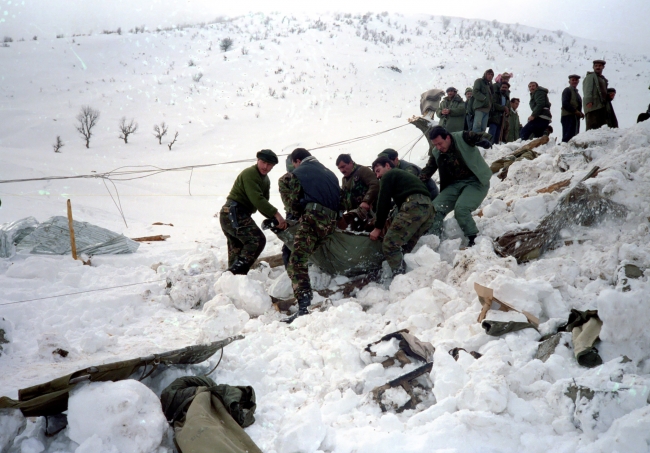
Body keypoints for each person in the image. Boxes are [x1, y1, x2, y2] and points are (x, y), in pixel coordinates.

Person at [279, 148, 340, 320]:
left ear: (297, 161)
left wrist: (294, 212)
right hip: (331, 222)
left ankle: (304, 307)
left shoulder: (297, 173)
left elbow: (292, 201)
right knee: (304, 255)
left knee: (297, 260)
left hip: (314, 218)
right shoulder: (330, 173)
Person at [420, 126, 492, 248]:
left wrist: (484, 140)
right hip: (454, 185)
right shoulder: (436, 152)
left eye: (440, 143)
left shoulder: (462, 137)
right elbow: (428, 170)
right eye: (435, 145)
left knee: (461, 209)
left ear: (447, 137)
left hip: (476, 181)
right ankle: (434, 239)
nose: (438, 147)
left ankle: (473, 239)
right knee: (434, 208)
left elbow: (480, 135)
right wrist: (415, 182)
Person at [220, 150, 286, 274]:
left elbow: (263, 203)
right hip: (233, 213)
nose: (265, 167)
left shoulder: (265, 180)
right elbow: (257, 199)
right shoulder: (250, 174)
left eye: (269, 165)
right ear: (258, 161)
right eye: (263, 162)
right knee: (257, 240)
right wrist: (277, 215)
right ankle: (234, 273)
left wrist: (274, 219)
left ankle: (232, 282)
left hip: (235, 214)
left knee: (238, 252)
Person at [369, 157, 433, 275]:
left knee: (390, 244)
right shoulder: (403, 176)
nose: (377, 176)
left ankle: (399, 278)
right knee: (403, 247)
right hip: (427, 209)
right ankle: (408, 276)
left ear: (387, 165)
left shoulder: (389, 175)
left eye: (378, 170)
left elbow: (383, 201)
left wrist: (378, 228)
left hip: (414, 205)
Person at [336, 154, 379, 231]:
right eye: (339, 168)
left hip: (369, 214)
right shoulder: (344, 180)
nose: (342, 170)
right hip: (355, 217)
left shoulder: (362, 170)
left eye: (343, 166)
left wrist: (366, 201)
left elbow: (375, 185)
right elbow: (344, 198)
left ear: (350, 163)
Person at [583, 59, 610, 131]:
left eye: (600, 66)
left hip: (602, 107)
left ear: (603, 67)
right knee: (592, 128)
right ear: (593, 67)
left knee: (601, 128)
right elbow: (587, 89)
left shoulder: (603, 79)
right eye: (596, 66)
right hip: (593, 107)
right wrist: (588, 101)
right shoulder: (590, 77)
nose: (598, 67)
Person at [561, 74, 584, 142]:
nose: (574, 81)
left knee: (574, 136)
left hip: (575, 117)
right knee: (568, 136)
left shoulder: (577, 93)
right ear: (569, 82)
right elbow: (565, 103)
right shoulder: (567, 90)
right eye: (572, 80)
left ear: (578, 81)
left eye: (576, 80)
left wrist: (580, 113)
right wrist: (575, 111)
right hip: (568, 116)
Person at [471, 69, 495, 133]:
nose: (490, 76)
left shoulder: (490, 85)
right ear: (485, 74)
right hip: (480, 108)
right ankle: (475, 141)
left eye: (491, 75)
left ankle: (481, 141)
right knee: (477, 127)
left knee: (483, 128)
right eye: (488, 74)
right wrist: (484, 98)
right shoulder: (479, 81)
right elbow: (475, 92)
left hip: (487, 110)